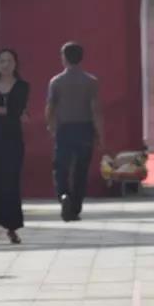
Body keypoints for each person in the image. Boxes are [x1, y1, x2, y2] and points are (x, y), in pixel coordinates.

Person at [46, 41, 106, 222]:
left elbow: (50, 107)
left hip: (64, 128)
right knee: (81, 169)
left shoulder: (56, 81)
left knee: (61, 168)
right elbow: (95, 109)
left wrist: (51, 125)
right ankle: (76, 207)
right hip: (85, 128)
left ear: (64, 58)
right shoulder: (91, 81)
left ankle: (63, 195)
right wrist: (99, 134)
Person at [0, 48, 30, 245]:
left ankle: (12, 229)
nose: (6, 64)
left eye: (9, 61)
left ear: (15, 64)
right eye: (2, 61)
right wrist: (0, 110)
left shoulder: (23, 86)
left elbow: (16, 110)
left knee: (11, 182)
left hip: (13, 139)